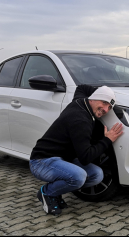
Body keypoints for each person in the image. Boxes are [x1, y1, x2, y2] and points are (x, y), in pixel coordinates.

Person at [29, 85, 123, 215]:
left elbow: (81, 87)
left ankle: (56, 191)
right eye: (104, 102)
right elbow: (85, 157)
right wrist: (107, 140)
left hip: (63, 160)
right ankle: (47, 192)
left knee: (97, 175)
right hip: (41, 161)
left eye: (109, 107)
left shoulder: (80, 101)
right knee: (78, 176)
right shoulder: (80, 120)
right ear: (94, 98)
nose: (106, 110)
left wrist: (108, 95)